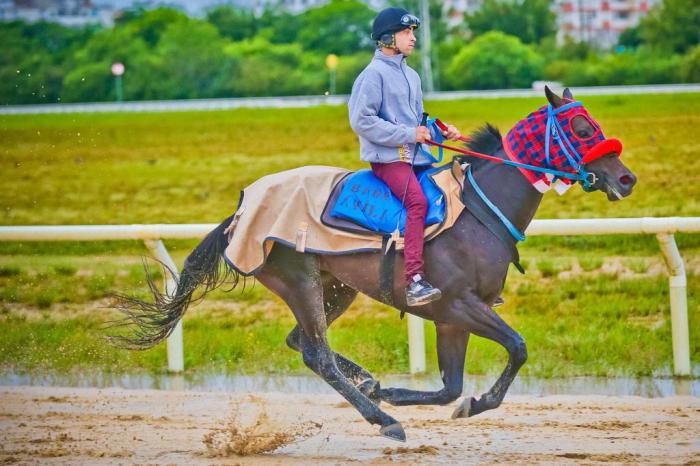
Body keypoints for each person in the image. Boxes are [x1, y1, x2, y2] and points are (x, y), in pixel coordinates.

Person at [348, 7, 462, 307]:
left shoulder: (411, 75)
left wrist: (440, 129)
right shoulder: (371, 75)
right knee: (418, 203)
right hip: (388, 161)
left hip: (416, 158)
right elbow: (362, 121)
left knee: (453, 193)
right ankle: (413, 280)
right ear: (387, 39)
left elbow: (418, 120)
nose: (413, 39)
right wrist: (410, 134)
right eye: (406, 33)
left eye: (412, 33)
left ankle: (459, 275)